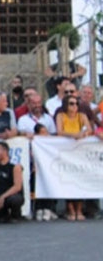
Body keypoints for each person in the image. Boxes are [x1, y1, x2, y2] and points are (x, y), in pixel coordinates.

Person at [55, 93, 93, 221]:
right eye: (71, 103)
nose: (74, 106)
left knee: (80, 179)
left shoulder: (81, 116)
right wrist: (74, 135)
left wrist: (84, 133)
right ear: (66, 105)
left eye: (76, 103)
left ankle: (79, 209)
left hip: (79, 152)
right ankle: (70, 209)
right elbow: (59, 131)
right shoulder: (61, 116)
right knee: (67, 179)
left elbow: (89, 129)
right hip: (66, 152)